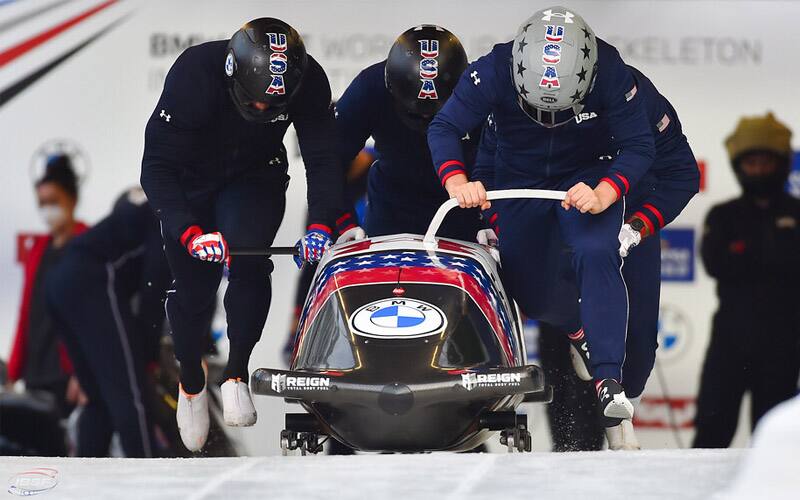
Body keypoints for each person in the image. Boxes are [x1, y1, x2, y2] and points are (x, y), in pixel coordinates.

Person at [427, 6, 657, 448]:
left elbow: (639, 144)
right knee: (528, 288)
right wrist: (458, 180)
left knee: (595, 250)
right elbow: (446, 126)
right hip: (520, 177)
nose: (548, 119)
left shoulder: (609, 69)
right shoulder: (494, 68)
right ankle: (580, 331)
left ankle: (609, 381)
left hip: (587, 174)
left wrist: (606, 192)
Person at [140, 18, 347, 452]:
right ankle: (192, 381)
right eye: (253, 103)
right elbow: (156, 166)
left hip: (254, 176)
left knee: (249, 258)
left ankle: (237, 372)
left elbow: (324, 160)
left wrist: (321, 224)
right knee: (194, 288)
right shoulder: (194, 74)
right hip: (190, 180)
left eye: (271, 107)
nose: (260, 112)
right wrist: (188, 230)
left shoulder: (309, 83)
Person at [476, 65, 700, 449]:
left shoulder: (633, 98)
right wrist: (501, 221)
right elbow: (489, 171)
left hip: (621, 215)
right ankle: (574, 431)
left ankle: (619, 426)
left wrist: (637, 227)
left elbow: (682, 172)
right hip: (557, 214)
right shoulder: (519, 103)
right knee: (543, 304)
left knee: (637, 348)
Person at [693, 112, 800, 448]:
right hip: (730, 343)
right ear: (739, 166)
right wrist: (774, 258)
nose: (758, 170)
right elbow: (716, 264)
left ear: (781, 163)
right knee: (711, 433)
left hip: (785, 345)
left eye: (765, 162)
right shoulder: (723, 215)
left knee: (775, 442)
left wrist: (748, 256)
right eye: (751, 163)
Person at [47, 187, 170, 457]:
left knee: (98, 399)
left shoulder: (145, 205)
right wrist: (147, 354)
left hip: (60, 283)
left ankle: (87, 480)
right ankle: (151, 480)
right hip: (93, 278)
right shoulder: (168, 218)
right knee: (132, 395)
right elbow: (154, 288)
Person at [334, 24, 481, 240]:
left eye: (433, 115)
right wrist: (344, 222)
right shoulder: (370, 87)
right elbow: (330, 160)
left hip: (462, 204)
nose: (424, 118)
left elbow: (503, 161)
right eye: (416, 112)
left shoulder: (478, 89)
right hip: (392, 206)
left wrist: (490, 220)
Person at [6, 154, 86, 419]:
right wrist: (14, 370)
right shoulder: (39, 248)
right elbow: (26, 311)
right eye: (42, 203)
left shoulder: (88, 242)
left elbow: (94, 318)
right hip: (36, 369)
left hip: (68, 374)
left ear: (72, 199)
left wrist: (83, 371)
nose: (47, 209)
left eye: (54, 202)